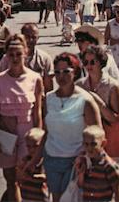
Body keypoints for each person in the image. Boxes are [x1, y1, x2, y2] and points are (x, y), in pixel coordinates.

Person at [0, 34, 44, 202]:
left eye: (18, 54)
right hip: (6, 130)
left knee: (27, 176)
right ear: (6, 55)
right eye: (11, 54)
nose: (14, 58)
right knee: (11, 180)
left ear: (25, 53)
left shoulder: (35, 78)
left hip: (27, 130)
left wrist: (39, 137)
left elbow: (38, 111)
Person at [42, 53, 102, 202]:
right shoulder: (48, 99)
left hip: (76, 161)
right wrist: (34, 160)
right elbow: (44, 132)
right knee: (56, 199)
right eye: (57, 72)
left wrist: (88, 159)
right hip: (52, 159)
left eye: (66, 71)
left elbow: (98, 134)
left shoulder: (85, 100)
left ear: (74, 72)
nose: (61, 76)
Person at [0, 23, 55, 93]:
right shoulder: (7, 59)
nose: (30, 40)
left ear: (38, 38)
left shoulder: (45, 59)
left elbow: (48, 87)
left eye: (34, 37)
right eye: (27, 37)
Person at [76, 46, 119, 125]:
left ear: (101, 62)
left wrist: (97, 101)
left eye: (92, 62)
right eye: (85, 62)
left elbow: (116, 119)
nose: (88, 65)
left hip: (108, 133)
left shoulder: (112, 86)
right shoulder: (79, 85)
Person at [76, 126, 119, 202]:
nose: (89, 148)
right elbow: (80, 185)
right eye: (86, 144)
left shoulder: (108, 166)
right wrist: (81, 173)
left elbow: (117, 191)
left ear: (103, 143)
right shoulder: (85, 161)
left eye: (93, 144)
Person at [16, 128, 49, 202]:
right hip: (26, 197)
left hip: (40, 197)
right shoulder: (25, 160)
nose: (32, 150)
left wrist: (34, 177)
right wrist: (21, 172)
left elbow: (48, 177)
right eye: (28, 146)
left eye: (35, 146)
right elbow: (18, 177)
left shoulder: (45, 162)